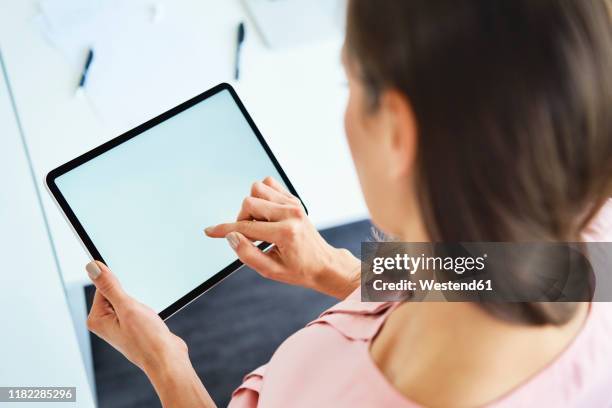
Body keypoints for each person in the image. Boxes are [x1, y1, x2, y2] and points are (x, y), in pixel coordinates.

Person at [83, 0, 612, 406]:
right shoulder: (585, 232)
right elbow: (501, 273)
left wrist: (165, 362)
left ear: (397, 131)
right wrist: (338, 269)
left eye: (350, 83)